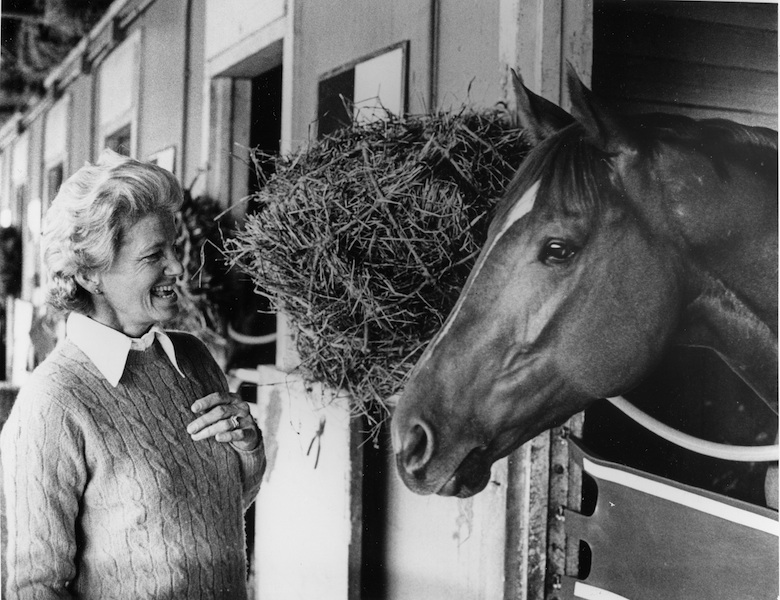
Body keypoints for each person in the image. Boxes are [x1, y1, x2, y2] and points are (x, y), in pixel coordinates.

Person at [1, 149, 266, 599]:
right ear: (90, 275)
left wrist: (249, 447)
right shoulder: (54, 400)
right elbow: (36, 586)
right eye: (154, 255)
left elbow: (211, 511)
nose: (178, 268)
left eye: (174, 249)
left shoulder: (194, 358)